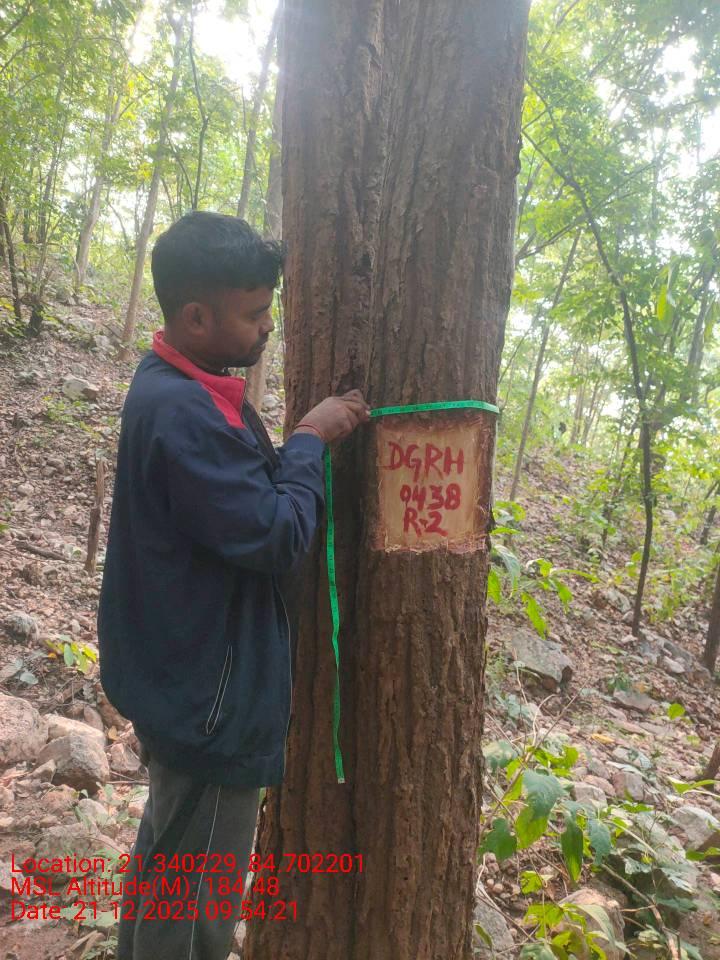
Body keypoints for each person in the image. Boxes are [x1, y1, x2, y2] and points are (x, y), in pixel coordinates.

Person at [97, 210, 370, 960]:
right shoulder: (183, 413)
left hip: (184, 686)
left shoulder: (178, 385)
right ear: (195, 317)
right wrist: (310, 440)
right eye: (253, 314)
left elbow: (236, 505)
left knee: (167, 870)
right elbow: (277, 535)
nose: (268, 327)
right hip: (208, 708)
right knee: (197, 908)